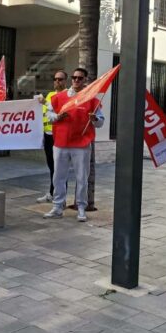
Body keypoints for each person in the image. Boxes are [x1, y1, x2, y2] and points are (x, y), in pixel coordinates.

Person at [43, 68, 104, 222]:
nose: (76, 80)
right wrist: (57, 116)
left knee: (82, 177)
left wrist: (94, 119)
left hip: (81, 144)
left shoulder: (92, 99)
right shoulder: (58, 97)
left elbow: (100, 122)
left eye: (80, 78)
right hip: (61, 142)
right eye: (74, 77)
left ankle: (81, 208)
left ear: (85, 80)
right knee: (58, 176)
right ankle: (57, 206)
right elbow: (48, 115)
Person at [36, 70, 68, 203]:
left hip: (59, 135)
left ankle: (61, 197)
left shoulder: (67, 95)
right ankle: (52, 192)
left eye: (60, 79)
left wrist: (44, 103)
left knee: (60, 167)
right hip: (48, 134)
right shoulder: (49, 94)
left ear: (65, 81)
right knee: (51, 165)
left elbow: (60, 111)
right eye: (55, 79)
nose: (57, 81)